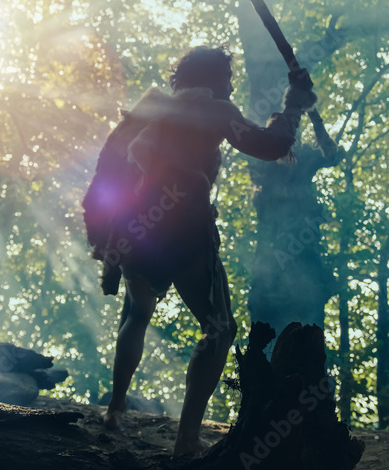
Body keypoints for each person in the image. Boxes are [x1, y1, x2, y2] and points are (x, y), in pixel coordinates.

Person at [82, 46, 317, 455]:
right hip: (186, 230)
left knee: (137, 314)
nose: (230, 86)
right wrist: (293, 102)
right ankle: (186, 439)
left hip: (138, 232)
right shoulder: (214, 111)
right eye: (227, 78)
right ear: (214, 80)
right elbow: (272, 145)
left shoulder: (153, 110)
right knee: (220, 329)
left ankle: (115, 409)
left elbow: (110, 174)